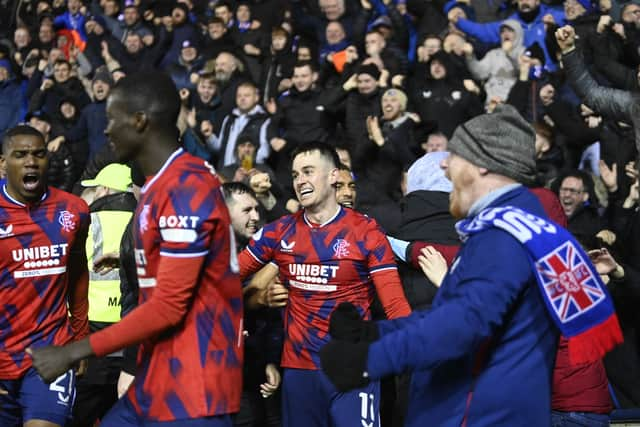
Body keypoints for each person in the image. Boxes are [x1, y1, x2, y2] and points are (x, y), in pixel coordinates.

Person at [319, 104, 623, 427]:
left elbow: (463, 324)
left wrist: (370, 359)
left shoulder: (514, 225)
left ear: (482, 166)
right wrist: (373, 333)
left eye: (456, 156)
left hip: (544, 410)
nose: (445, 166)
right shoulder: (504, 223)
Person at [27, 72, 244, 426]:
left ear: (140, 121)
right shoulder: (155, 187)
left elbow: (169, 306)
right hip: (155, 376)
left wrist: (72, 351)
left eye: (113, 118)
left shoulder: (186, 187)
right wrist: (129, 258)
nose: (107, 129)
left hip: (195, 386)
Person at [237, 141, 412, 427]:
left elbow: (394, 303)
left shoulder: (366, 232)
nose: (300, 181)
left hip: (353, 365)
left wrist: (414, 348)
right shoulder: (279, 231)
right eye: (295, 175)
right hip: (299, 371)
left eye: (308, 171)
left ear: (333, 176)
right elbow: (225, 277)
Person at [0, 125, 90, 427]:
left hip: (52, 352)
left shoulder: (74, 210)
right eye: (20, 155)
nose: (30, 162)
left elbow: (78, 276)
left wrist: (80, 340)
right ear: (3, 163)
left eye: (39, 154)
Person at [72, 163, 137, 427]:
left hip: (92, 334)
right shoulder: (142, 224)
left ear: (106, 189)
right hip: (133, 332)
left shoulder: (85, 222)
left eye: (96, 189)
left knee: (81, 416)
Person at [222, 182, 282, 427]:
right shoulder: (212, 255)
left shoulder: (258, 251)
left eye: (257, 210)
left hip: (257, 371)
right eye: (247, 211)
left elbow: (267, 321)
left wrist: (269, 360)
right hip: (224, 378)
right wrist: (256, 298)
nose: (256, 217)